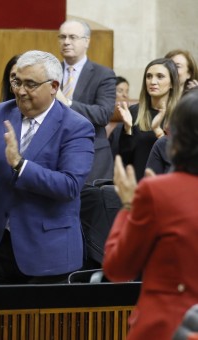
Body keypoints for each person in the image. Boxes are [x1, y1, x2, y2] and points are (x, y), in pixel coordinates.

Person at [0, 50, 95, 284]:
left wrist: (20, 165)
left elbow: (70, 186)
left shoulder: (76, 127)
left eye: (30, 84)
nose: (21, 91)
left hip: (46, 252)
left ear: (54, 86)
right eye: (17, 82)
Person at [103, 90, 198, 340]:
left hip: (165, 328)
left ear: (178, 138)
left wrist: (127, 206)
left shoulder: (158, 192)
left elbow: (118, 268)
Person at [56, 20, 116, 182]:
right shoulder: (50, 73)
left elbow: (103, 114)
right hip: (55, 153)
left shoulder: (103, 74)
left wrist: (66, 103)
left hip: (91, 154)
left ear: (87, 41)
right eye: (62, 37)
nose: (66, 42)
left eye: (72, 37)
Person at [114, 58, 181, 180]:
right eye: (149, 76)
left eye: (160, 76)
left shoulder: (181, 115)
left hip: (167, 185)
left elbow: (179, 161)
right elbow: (125, 161)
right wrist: (128, 129)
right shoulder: (134, 112)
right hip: (139, 185)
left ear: (172, 83)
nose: (152, 81)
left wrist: (158, 132)